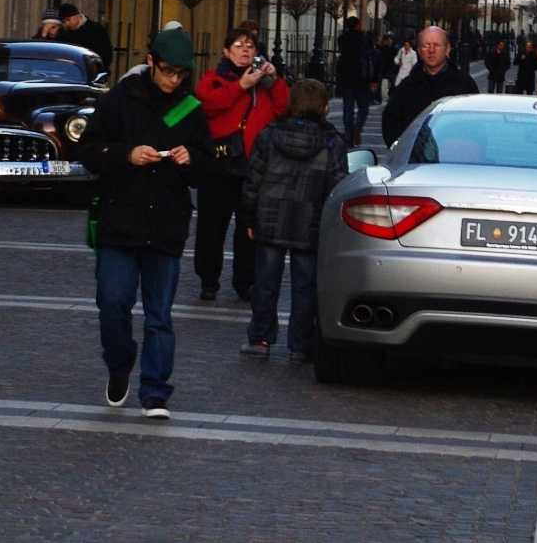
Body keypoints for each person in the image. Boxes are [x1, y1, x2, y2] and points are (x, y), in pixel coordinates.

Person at [76, 26, 215, 418]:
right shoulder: (121, 100)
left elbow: (207, 169)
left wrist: (193, 161)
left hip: (165, 224)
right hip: (120, 222)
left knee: (160, 316)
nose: (174, 80)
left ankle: (155, 392)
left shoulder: (191, 110)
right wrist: (127, 155)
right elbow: (88, 150)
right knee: (113, 303)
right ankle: (120, 365)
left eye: (181, 74)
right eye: (168, 71)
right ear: (151, 62)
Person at [239, 79, 346, 363]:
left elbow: (253, 180)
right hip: (311, 221)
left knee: (265, 282)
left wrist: (249, 216)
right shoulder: (332, 141)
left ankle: (260, 338)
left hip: (270, 218)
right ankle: (300, 344)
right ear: (324, 108)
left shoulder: (270, 135)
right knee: (305, 285)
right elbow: (337, 188)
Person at [194, 27, 290, 302]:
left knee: (249, 229)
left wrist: (273, 79)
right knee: (212, 226)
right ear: (226, 51)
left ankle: (245, 282)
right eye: (238, 45)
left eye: (250, 46)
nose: (245, 50)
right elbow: (208, 104)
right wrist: (241, 86)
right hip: (219, 164)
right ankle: (208, 280)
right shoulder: (214, 78)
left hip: (254, 166)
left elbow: (285, 108)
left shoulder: (265, 82)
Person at [381, 26, 479, 146]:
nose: (431, 50)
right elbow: (390, 122)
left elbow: (476, 124)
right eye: (426, 45)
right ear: (419, 51)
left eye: (437, 45)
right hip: (414, 160)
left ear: (447, 49)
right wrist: (403, 149)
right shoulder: (407, 86)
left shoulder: (464, 84)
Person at [336, 15, 375, 144]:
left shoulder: (342, 39)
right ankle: (358, 127)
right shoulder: (365, 38)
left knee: (348, 109)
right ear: (358, 25)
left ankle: (349, 135)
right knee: (363, 107)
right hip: (361, 77)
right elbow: (371, 57)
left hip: (347, 77)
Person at [58, 2, 114, 72]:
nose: (67, 24)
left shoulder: (96, 29)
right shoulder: (65, 34)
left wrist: (99, 71)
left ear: (77, 15)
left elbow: (106, 55)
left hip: (93, 73)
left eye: (68, 19)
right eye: (64, 22)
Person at [376, 34, 397, 102]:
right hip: (383, 68)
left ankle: (390, 95)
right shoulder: (381, 48)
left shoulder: (391, 49)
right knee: (379, 83)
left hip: (389, 67)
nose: (385, 42)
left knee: (393, 82)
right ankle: (379, 98)